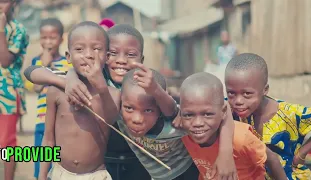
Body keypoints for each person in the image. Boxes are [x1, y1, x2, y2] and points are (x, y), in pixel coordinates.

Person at [24, 24, 237, 179]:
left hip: (142, 166)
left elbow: (218, 108)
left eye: (131, 54)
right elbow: (31, 71)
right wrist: (67, 78)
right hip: (105, 166)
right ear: (105, 55)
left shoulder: (146, 87)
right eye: (113, 53)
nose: (121, 60)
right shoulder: (91, 80)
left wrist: (226, 153)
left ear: (142, 59)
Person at [38, 21, 120, 180]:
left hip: (96, 175)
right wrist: (41, 176)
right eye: (79, 49)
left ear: (107, 56)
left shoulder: (112, 94)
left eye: (96, 49)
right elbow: (48, 139)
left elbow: (111, 119)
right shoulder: (56, 92)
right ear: (68, 57)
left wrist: (101, 88)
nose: (88, 55)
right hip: (60, 173)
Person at [225, 53, 311, 180]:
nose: (238, 101)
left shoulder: (289, 113)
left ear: (265, 89)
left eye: (247, 93)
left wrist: (302, 153)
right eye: (231, 93)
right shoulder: (228, 109)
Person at [29, 18, 72, 179]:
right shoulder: (36, 62)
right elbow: (36, 88)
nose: (48, 42)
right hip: (42, 120)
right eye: (44, 38)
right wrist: (44, 67)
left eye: (52, 38)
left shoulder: (67, 63)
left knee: (61, 163)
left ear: (61, 39)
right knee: (41, 161)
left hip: (61, 121)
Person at [0, 1, 29, 180]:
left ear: (14, 3)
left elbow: (5, 61)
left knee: (6, 143)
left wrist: (0, 29)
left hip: (8, 92)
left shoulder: (19, 30)